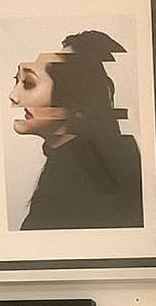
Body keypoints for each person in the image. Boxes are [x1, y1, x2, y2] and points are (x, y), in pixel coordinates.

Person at [8, 29, 145, 230]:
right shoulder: (82, 163)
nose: (13, 95)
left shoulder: (87, 179)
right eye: (17, 81)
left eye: (29, 83)